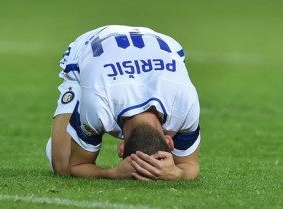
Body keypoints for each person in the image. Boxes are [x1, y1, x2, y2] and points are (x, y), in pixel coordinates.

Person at [46, 25, 201, 180]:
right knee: (64, 167)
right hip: (90, 45)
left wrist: (177, 173)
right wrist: (112, 174)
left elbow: (189, 166)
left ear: (122, 149)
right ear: (169, 141)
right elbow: (76, 166)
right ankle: (73, 127)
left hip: (159, 44)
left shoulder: (185, 103)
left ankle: (74, 133)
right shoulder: (98, 107)